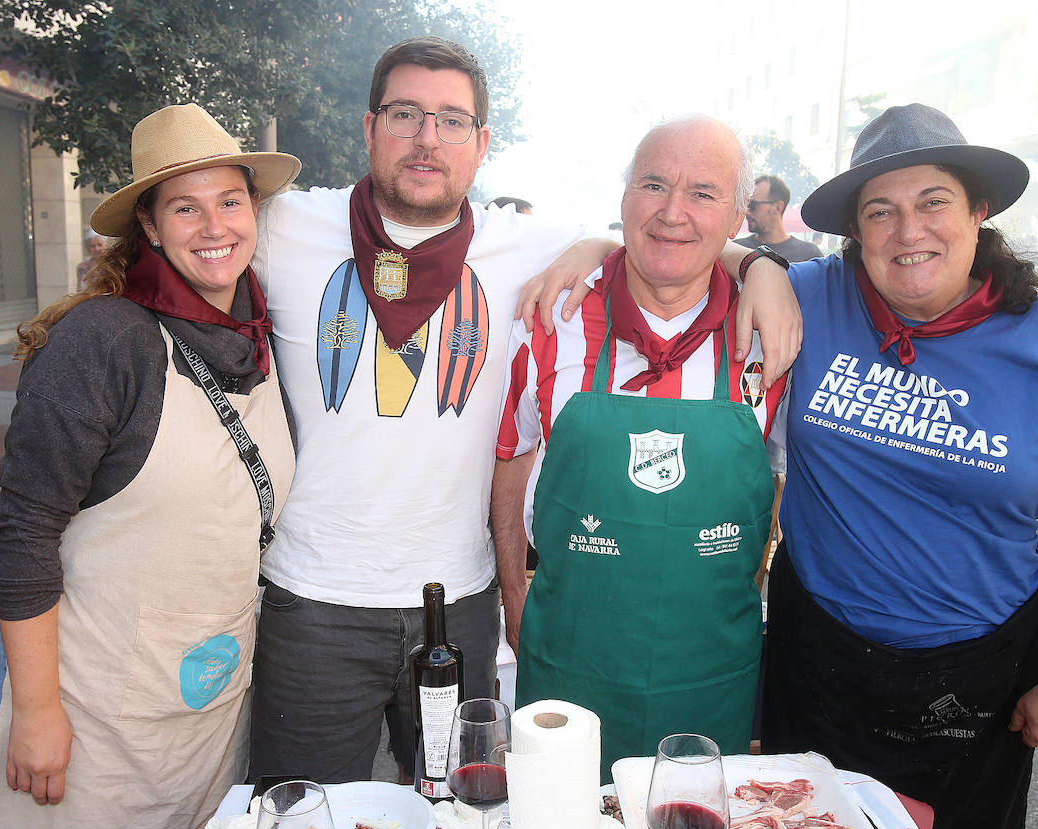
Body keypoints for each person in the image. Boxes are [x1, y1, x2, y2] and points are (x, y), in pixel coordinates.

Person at [246, 35, 804, 785]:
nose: (426, 138)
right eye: (405, 113)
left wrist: (758, 263)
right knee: (303, 816)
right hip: (312, 604)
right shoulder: (282, 226)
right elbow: (187, 236)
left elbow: (657, 238)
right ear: (369, 127)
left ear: (480, 145)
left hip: (460, 601)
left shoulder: (529, 248)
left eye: (451, 121)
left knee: (460, 820)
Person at [758, 104, 1038, 829]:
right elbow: (695, 258)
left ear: (978, 211)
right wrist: (750, 263)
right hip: (818, 653)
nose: (906, 230)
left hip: (979, 671)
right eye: (879, 211)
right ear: (855, 232)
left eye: (932, 202)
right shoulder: (813, 296)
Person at [0, 104, 299, 829]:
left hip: (199, 717)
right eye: (183, 206)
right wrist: (35, 713)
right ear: (151, 230)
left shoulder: (259, 339)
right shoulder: (104, 342)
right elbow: (24, 532)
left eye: (229, 201)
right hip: (88, 716)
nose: (212, 224)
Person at [492, 116, 788, 779]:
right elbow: (510, 460)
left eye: (703, 193)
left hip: (711, 672)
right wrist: (515, 598)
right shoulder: (553, 315)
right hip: (570, 661)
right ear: (624, 197)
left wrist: (765, 267)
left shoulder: (772, 331)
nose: (673, 212)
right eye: (653, 184)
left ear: (738, 215)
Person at [734, 174, 824, 262]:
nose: (747, 211)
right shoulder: (735, 251)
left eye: (752, 205)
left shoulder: (809, 255)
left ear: (778, 207)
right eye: (746, 205)